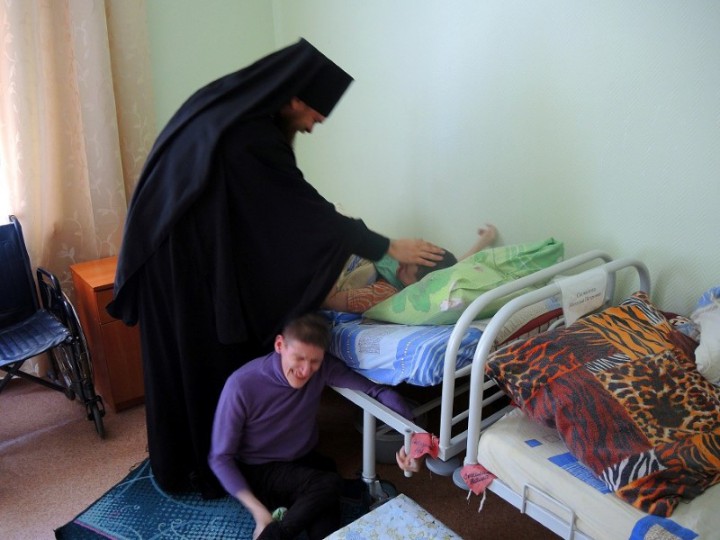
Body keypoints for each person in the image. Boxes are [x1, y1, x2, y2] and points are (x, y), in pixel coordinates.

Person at [106, 38, 444, 496]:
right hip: (181, 268)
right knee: (200, 360)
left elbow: (267, 216)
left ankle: (194, 457)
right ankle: (211, 464)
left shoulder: (231, 111)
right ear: (295, 98)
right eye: (315, 115)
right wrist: (387, 247)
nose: (314, 125)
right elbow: (304, 211)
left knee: (187, 363)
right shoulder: (251, 136)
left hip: (178, 257)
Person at [208, 313, 413, 540]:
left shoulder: (323, 368)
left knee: (326, 510)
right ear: (279, 345)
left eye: (314, 361)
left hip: (304, 460)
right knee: (328, 483)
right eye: (299, 358)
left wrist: (411, 436)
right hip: (261, 469)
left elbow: (376, 391)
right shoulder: (241, 384)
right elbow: (220, 458)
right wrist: (258, 512)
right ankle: (272, 535)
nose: (306, 371)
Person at [322, 224, 498, 313]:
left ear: (419, 284)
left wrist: (335, 248)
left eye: (406, 268)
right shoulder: (410, 265)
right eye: (405, 261)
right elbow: (455, 266)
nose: (399, 264)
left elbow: (330, 301)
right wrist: (485, 240)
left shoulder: (385, 291)